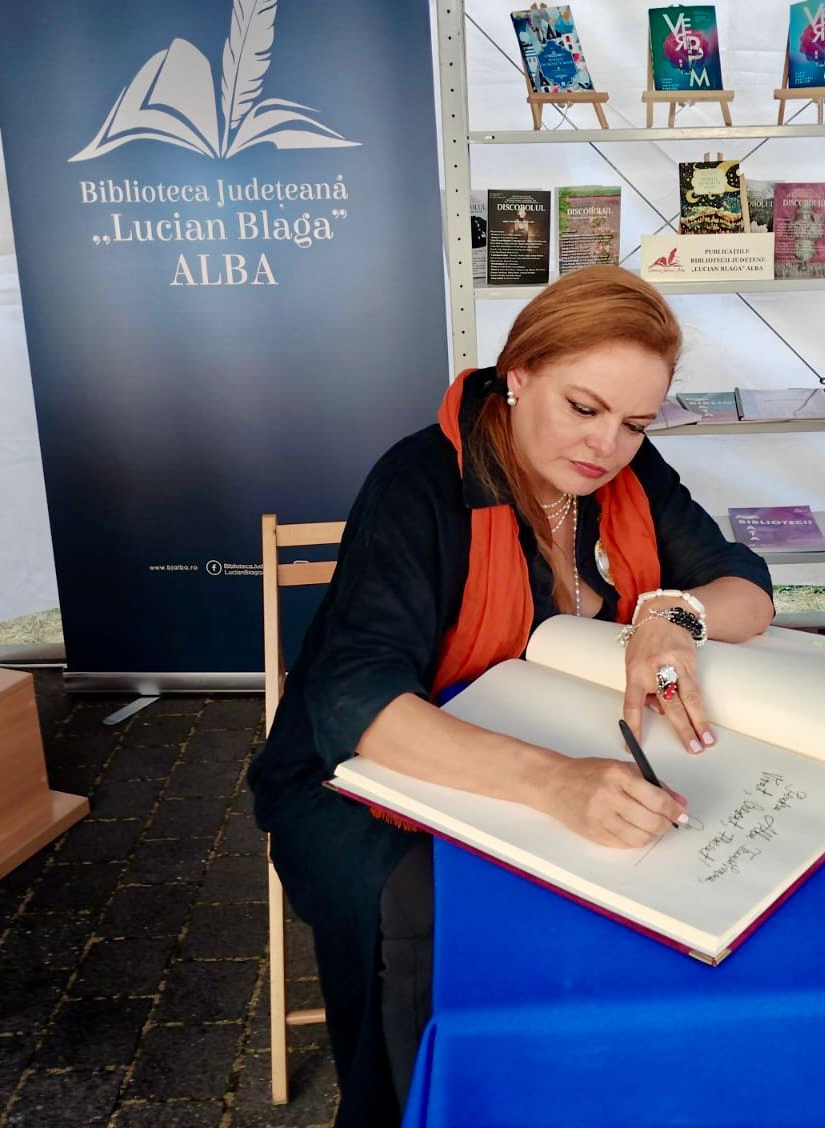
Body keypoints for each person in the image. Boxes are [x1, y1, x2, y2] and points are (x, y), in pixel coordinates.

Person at [247, 266, 773, 1127]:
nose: (606, 446)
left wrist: (676, 614)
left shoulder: (628, 474)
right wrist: (555, 783)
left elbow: (745, 584)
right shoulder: (419, 482)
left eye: (635, 424)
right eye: (583, 407)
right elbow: (356, 702)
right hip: (365, 774)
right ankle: (443, 1099)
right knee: (429, 910)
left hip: (563, 736)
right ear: (518, 372)